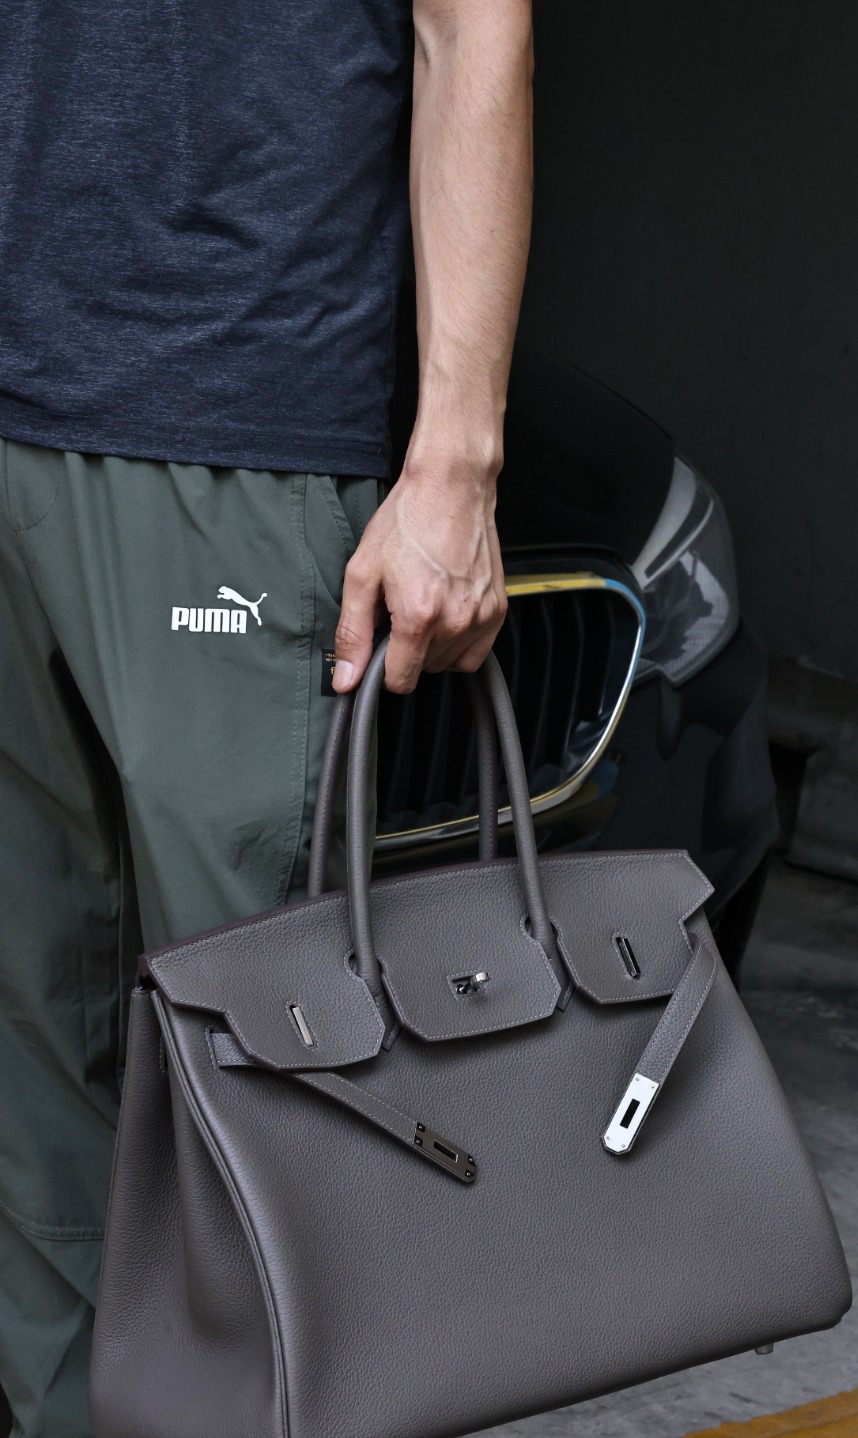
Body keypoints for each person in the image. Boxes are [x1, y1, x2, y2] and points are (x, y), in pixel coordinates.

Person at [0, 0, 534, 1431]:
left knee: (260, 1071)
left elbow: (473, 28)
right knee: (29, 1043)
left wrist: (458, 461)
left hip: (233, 405)